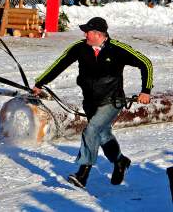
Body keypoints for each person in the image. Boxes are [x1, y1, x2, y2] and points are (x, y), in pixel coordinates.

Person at [32, 17, 153, 188]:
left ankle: (83, 173)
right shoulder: (80, 48)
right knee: (103, 135)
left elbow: (146, 63)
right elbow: (59, 64)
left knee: (91, 130)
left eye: (87, 32)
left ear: (98, 34)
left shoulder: (118, 49)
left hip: (112, 100)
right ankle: (120, 161)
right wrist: (40, 83)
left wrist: (146, 90)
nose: (84, 35)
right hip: (90, 101)